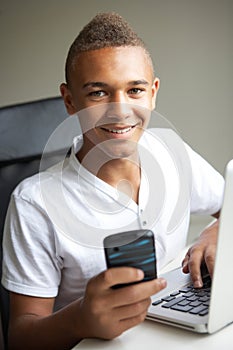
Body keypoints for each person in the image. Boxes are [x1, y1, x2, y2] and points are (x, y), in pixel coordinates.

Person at [1, 12, 224, 350]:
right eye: (98, 94)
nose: (120, 110)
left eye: (134, 90)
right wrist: (80, 319)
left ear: (153, 93)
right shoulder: (34, 203)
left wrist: (217, 231)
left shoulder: (171, 153)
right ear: (70, 101)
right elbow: (20, 337)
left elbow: (229, 206)